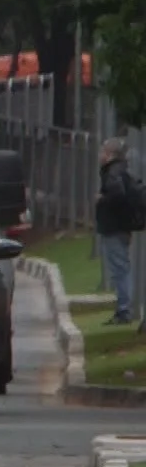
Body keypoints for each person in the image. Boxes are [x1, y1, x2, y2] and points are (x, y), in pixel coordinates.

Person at [96, 136, 143, 325]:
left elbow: (117, 194)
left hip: (114, 228)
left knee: (120, 269)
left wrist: (101, 199)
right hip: (119, 227)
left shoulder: (113, 172)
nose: (100, 155)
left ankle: (125, 310)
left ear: (109, 154)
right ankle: (124, 308)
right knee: (120, 268)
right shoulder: (119, 170)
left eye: (102, 151)